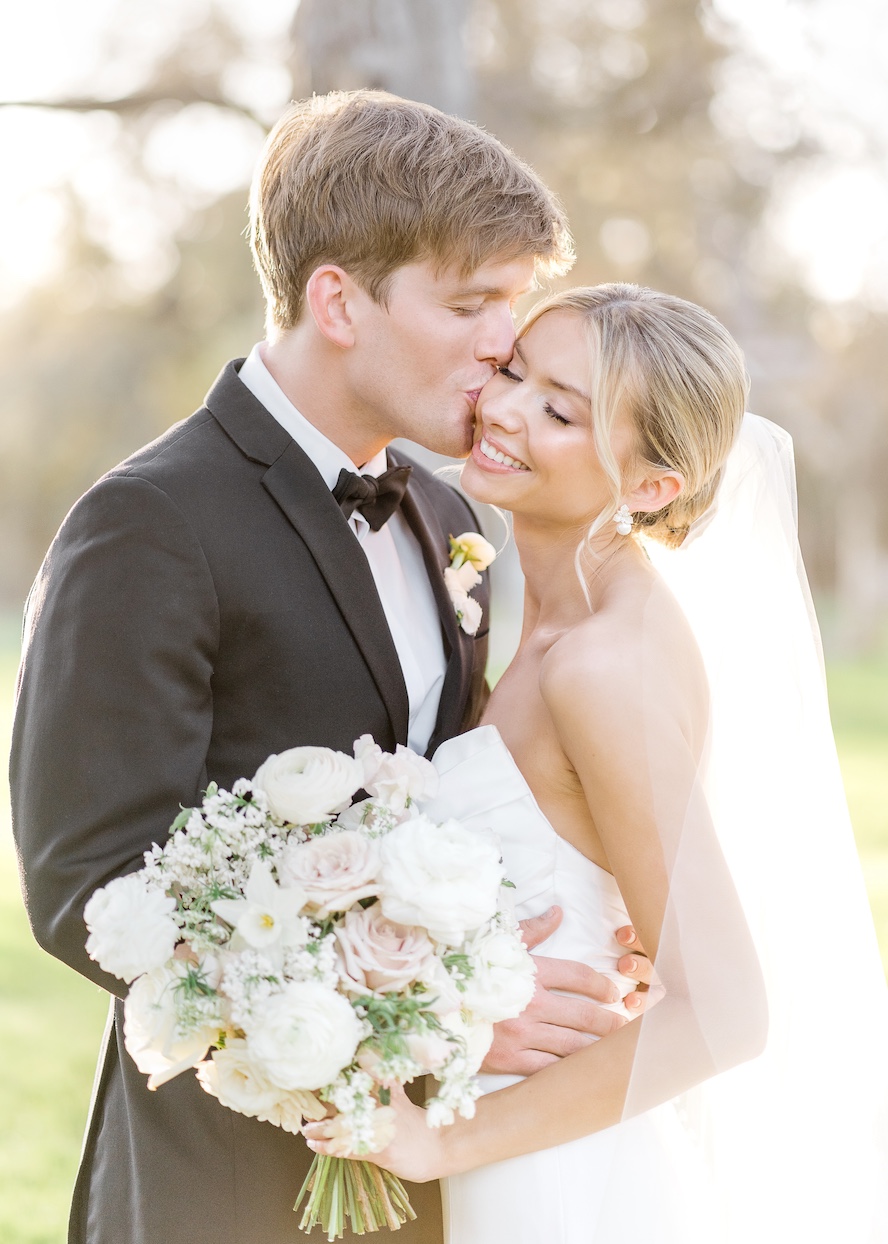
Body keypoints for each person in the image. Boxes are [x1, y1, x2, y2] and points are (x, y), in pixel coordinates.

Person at [9, 93, 660, 1244]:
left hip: (434, 1180)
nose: (503, 342)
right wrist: (439, 1014)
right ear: (337, 300)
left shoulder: (451, 510)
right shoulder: (149, 523)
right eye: (471, 303)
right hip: (222, 1188)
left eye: (512, 303)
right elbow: (90, 886)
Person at [305, 284, 888, 1242]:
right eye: (515, 373)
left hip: (562, 1178)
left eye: (560, 410)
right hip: (516, 1125)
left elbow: (725, 1011)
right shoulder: (542, 620)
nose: (502, 410)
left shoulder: (606, 666)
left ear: (653, 485)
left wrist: (442, 1145)